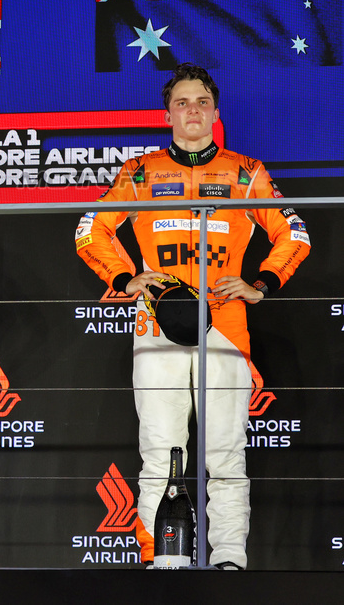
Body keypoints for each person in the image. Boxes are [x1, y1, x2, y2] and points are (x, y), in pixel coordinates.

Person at [76, 63, 310, 569]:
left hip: (225, 321)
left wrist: (261, 284)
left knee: (225, 455)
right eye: (182, 103)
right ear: (167, 115)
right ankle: (159, 560)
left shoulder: (245, 172)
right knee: (160, 452)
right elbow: (90, 227)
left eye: (201, 102)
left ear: (215, 113)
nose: (192, 111)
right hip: (157, 324)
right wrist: (123, 279)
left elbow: (295, 233)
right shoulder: (139, 173)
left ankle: (228, 561)